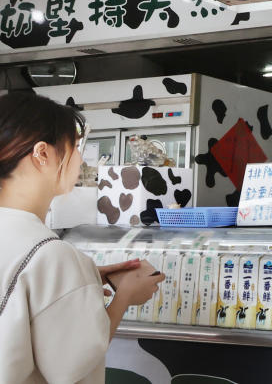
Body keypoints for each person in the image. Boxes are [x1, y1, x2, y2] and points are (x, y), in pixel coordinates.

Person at [0, 92, 164, 384]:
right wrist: (125, 295)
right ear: (43, 154)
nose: (80, 158)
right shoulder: (50, 255)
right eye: (76, 146)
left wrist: (82, 278)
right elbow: (73, 367)